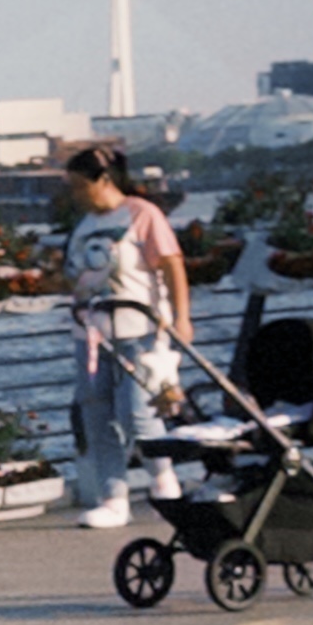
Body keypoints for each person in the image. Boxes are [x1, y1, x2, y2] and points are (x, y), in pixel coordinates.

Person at [59, 141, 192, 530]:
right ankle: (113, 497)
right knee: (96, 414)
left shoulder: (141, 214)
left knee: (137, 411)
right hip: (91, 336)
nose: (76, 195)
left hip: (141, 330)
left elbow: (171, 264)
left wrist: (182, 318)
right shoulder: (84, 226)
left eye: (80, 185)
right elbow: (76, 276)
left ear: (103, 179)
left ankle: (164, 481)